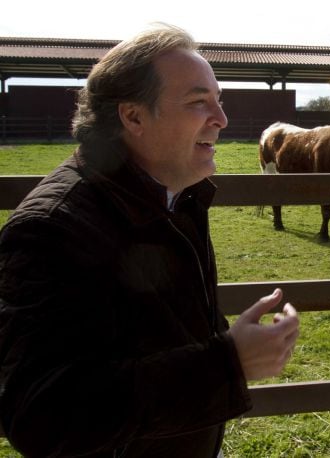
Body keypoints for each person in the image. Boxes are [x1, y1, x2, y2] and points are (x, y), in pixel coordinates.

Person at [0, 24, 299, 457]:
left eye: (220, 100)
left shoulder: (177, 196)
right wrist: (227, 364)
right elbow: (40, 416)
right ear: (134, 117)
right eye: (199, 102)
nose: (222, 119)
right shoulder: (52, 228)